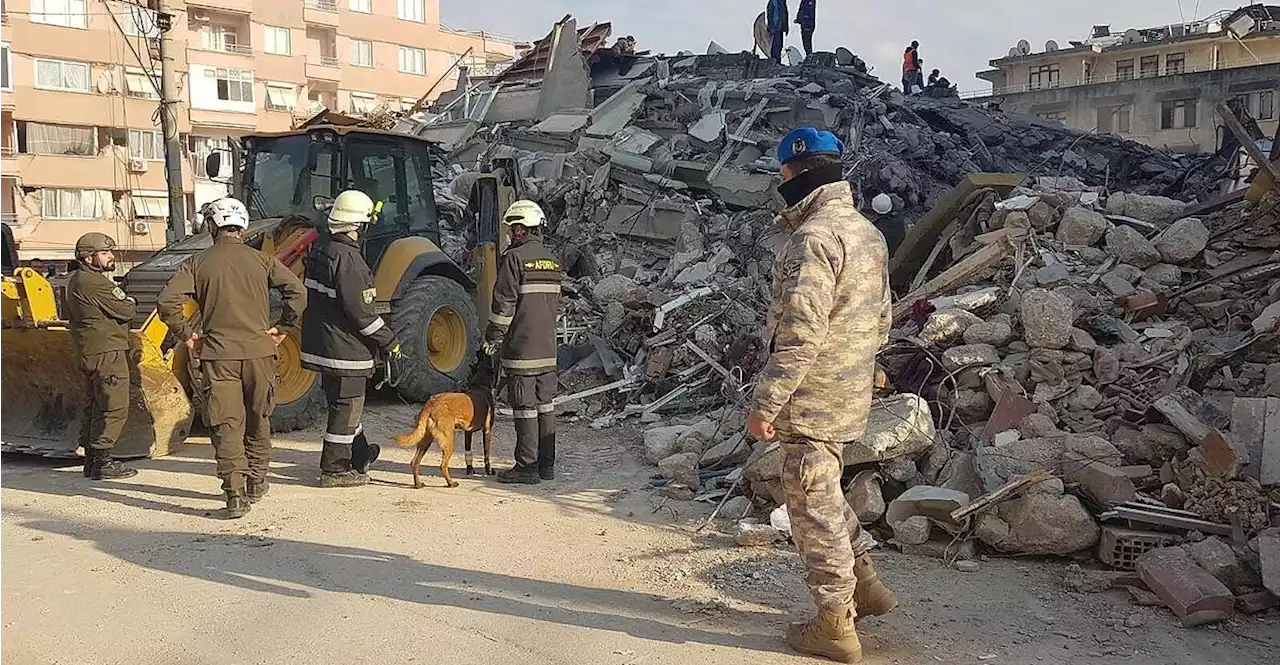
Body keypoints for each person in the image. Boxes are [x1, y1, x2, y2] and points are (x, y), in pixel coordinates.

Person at [747, 128, 896, 663]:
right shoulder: (867, 233)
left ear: (798, 171)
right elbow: (883, 317)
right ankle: (867, 585)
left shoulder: (812, 238)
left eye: (783, 174)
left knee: (811, 504)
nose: (780, 183)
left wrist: (766, 403)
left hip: (810, 396)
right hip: (849, 390)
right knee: (826, 491)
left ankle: (835, 623)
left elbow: (799, 333)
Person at [157, 197, 306, 519]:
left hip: (218, 356)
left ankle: (235, 494)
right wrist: (283, 327)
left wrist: (187, 335)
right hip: (260, 355)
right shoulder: (263, 260)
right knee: (258, 419)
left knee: (227, 424)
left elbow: (167, 301)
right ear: (243, 227)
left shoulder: (197, 263)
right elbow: (298, 292)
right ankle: (257, 482)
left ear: (211, 226)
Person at [300, 190, 402, 488]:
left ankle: (360, 454)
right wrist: (390, 341)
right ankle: (335, 469)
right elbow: (363, 315)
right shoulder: (351, 261)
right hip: (346, 350)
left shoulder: (321, 250)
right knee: (346, 409)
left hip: (324, 344)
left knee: (343, 406)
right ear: (359, 225)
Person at [484, 200, 563, 485]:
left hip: (522, 349)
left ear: (519, 229)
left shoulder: (514, 259)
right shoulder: (552, 261)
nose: (509, 233)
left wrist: (493, 337)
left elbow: (504, 303)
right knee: (546, 406)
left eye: (511, 228)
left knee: (525, 408)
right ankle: (546, 466)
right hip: (548, 349)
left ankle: (526, 467)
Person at [65, 233, 138, 480]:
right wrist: (129, 299)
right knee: (114, 406)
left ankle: (91, 461)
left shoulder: (76, 280)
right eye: (105, 253)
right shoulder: (94, 282)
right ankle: (104, 462)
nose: (111, 256)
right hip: (107, 352)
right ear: (88, 257)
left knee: (95, 405)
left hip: (91, 351)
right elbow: (126, 310)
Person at [766, 0, 790, 64]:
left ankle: (777, 61)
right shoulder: (773, 2)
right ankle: (774, 61)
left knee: (779, 45)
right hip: (775, 27)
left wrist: (786, 27)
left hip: (780, 28)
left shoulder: (782, 2)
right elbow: (770, 15)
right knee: (775, 45)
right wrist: (771, 26)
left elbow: (785, 15)